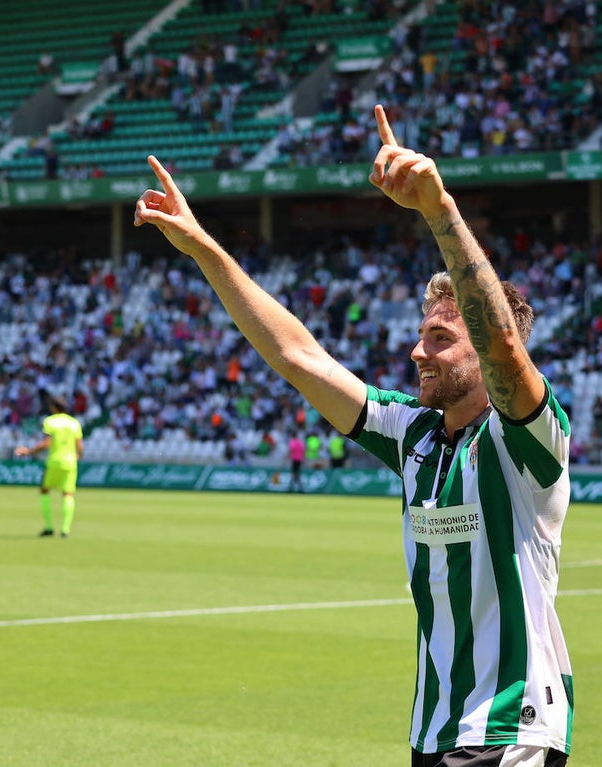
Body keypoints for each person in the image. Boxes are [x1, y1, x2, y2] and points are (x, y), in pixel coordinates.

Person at [133, 104, 573, 766]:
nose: (417, 352)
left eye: (440, 338)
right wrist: (204, 249)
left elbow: (507, 351)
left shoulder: (526, 442)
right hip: (434, 731)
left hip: (512, 730)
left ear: (480, 350)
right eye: (422, 333)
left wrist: (438, 210)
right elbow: (298, 357)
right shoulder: (412, 433)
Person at [15, 395, 84, 538]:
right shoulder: (74, 423)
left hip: (54, 461)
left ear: (53, 408)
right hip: (70, 462)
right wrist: (77, 456)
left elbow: (47, 443)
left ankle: (49, 527)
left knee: (44, 490)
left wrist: (29, 451)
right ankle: (65, 530)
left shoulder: (50, 421)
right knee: (68, 494)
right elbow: (80, 447)